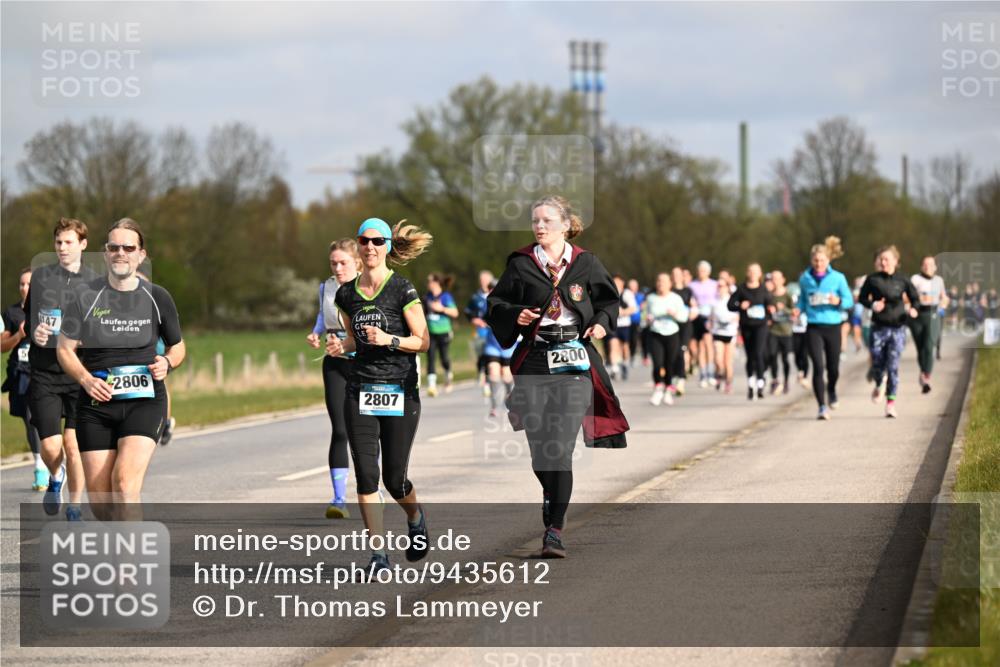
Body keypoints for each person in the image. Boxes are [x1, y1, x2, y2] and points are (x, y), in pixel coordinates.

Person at [487, 195, 628, 559]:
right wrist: (515, 314)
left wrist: (600, 323)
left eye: (547, 221)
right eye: (535, 221)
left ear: (565, 225)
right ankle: (551, 496)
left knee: (560, 447)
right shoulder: (521, 264)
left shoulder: (586, 263)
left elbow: (610, 302)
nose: (539, 227)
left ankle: (554, 530)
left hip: (575, 363)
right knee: (541, 451)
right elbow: (495, 305)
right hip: (535, 361)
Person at [56, 218, 185, 520]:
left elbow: (178, 346)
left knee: (125, 485)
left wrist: (167, 362)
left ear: (141, 254)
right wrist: (85, 379)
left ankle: (127, 567)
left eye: (129, 247)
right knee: (102, 505)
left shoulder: (158, 297)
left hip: (144, 402)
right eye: (114, 247)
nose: (120, 253)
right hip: (95, 405)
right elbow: (64, 348)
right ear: (105, 253)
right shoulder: (84, 296)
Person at [326, 217, 432, 575]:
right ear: (358, 246)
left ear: (388, 246)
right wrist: (343, 345)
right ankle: (378, 556)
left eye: (377, 241)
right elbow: (355, 338)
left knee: (395, 480)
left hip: (400, 390)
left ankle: (415, 517)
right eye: (364, 241)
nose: (370, 247)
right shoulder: (346, 294)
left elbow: (423, 340)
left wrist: (390, 340)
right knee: (367, 477)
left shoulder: (402, 289)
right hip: (360, 391)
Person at [27, 218, 100, 520]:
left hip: (77, 374)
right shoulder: (41, 277)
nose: (62, 248)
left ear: (82, 245)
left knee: (73, 445)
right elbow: (30, 319)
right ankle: (55, 477)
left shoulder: (96, 283)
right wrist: (37, 334)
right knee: (50, 447)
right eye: (58, 242)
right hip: (44, 373)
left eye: (69, 242)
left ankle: (74, 508)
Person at [306, 239, 362, 518]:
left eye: (343, 263)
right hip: (335, 363)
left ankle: (371, 490)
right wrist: (316, 332)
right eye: (333, 263)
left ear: (357, 262)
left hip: (364, 365)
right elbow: (323, 314)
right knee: (340, 430)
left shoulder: (368, 288)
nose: (338, 268)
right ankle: (339, 499)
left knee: (365, 431)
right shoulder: (325, 287)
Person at [796, 236, 854, 420]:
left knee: (833, 368)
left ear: (828, 260)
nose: (819, 263)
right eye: (815, 260)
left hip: (833, 326)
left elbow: (849, 301)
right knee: (818, 367)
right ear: (811, 260)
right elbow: (803, 301)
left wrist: (838, 301)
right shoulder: (805, 278)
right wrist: (797, 310)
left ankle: (832, 389)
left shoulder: (838, 278)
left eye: (822, 260)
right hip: (813, 327)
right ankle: (821, 406)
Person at [860, 245, 920, 418]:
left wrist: (914, 309)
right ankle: (879, 383)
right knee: (877, 363)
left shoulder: (903, 280)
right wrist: (873, 304)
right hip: (878, 327)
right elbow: (863, 298)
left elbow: (915, 298)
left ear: (895, 261)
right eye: (881, 259)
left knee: (893, 366)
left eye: (886, 259)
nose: (883, 262)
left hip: (898, 328)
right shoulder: (872, 280)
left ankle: (890, 403)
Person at [1, 267, 46, 490]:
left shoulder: (47, 310)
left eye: (29, 284)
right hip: (21, 374)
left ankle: (47, 463)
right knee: (29, 421)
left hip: (44, 372)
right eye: (21, 284)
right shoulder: (11, 313)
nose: (24, 288)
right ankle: (40, 465)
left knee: (39, 418)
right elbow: (1, 346)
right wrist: (19, 335)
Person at [728, 263, 774, 400]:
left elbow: (770, 305)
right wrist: (740, 306)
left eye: (756, 271)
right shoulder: (741, 289)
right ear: (747, 273)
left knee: (759, 353)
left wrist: (771, 313)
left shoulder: (763, 289)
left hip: (761, 326)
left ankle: (760, 383)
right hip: (747, 325)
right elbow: (730, 305)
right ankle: (750, 383)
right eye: (750, 271)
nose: (753, 274)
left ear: (760, 274)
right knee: (750, 356)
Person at [643, 273, 688, 406]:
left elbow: (684, 317)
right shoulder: (651, 298)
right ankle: (658, 388)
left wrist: (674, 314)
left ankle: (668, 389)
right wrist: (647, 319)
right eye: (659, 281)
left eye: (664, 281)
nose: (661, 284)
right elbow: (644, 316)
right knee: (657, 363)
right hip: (656, 333)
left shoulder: (676, 298)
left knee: (669, 363)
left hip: (672, 334)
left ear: (670, 284)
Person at [909, 256, 948, 394]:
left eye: (930, 264)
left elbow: (944, 296)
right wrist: (919, 299)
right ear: (921, 266)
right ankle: (923, 371)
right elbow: (907, 296)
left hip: (933, 314)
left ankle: (926, 377)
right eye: (925, 264)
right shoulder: (915, 279)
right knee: (921, 348)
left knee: (929, 345)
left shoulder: (939, 281)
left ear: (935, 267)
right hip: (917, 315)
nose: (927, 267)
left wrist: (943, 302)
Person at [423, 273, 458, 396]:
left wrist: (441, 308)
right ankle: (432, 386)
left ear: (437, 283)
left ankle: (448, 373)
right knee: (431, 358)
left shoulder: (446, 296)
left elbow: (455, 313)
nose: (428, 284)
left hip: (444, 331)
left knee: (444, 358)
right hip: (430, 332)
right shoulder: (426, 297)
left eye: (430, 281)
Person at [465, 270, 495, 398]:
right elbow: (468, 312)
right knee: (482, 357)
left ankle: (489, 383)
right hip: (480, 332)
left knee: (491, 357)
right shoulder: (475, 297)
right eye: (482, 281)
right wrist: (474, 320)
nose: (484, 283)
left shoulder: (497, 295)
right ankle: (482, 375)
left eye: (486, 281)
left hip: (493, 332)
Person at [689, 261, 718, 387]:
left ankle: (710, 372)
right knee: (700, 346)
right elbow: (690, 300)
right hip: (697, 316)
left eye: (704, 271)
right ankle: (703, 373)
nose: (702, 273)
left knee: (708, 343)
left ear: (708, 272)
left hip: (710, 316)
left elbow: (718, 299)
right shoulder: (692, 285)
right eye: (700, 270)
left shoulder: (714, 284)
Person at [709, 276, 739, 393]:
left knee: (727, 361)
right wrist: (710, 323)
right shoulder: (714, 301)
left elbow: (737, 316)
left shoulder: (732, 300)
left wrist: (731, 321)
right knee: (718, 358)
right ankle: (719, 374)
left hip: (730, 333)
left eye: (722, 286)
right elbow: (711, 317)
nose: (720, 288)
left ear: (727, 287)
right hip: (717, 332)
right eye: (718, 286)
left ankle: (728, 383)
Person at [767, 270, 795, 395]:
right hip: (773, 330)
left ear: (783, 280)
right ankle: (775, 380)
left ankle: (786, 381)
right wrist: (769, 311)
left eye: (777, 278)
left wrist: (784, 309)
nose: (775, 281)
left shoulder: (788, 295)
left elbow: (795, 313)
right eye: (773, 278)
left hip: (786, 331)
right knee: (772, 355)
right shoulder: (769, 296)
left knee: (785, 359)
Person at [670, 266, 695, 396]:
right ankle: (674, 376)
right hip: (671, 326)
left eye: (678, 274)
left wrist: (692, 313)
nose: (675, 277)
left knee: (681, 351)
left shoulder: (687, 291)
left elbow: (694, 306)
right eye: (673, 274)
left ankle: (681, 380)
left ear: (682, 276)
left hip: (685, 325)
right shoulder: (669, 291)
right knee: (673, 352)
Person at [609, 275, 637, 380]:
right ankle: (614, 368)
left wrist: (623, 312)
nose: (616, 284)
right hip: (613, 324)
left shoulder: (627, 294)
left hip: (625, 324)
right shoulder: (608, 292)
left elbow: (634, 308)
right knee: (613, 345)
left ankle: (625, 364)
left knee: (625, 347)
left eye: (618, 282)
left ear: (622, 283)